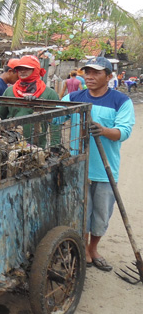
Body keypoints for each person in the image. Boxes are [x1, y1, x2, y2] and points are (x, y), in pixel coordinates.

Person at [61, 56, 135, 272]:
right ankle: (83, 248)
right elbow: (54, 115)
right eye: (87, 72)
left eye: (96, 73)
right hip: (79, 167)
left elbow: (124, 131)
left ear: (109, 77)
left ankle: (94, 249)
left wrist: (104, 131)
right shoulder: (74, 96)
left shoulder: (120, 101)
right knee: (82, 211)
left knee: (101, 214)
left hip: (104, 168)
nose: (89, 77)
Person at [0, 55, 60, 147]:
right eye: (20, 68)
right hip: (12, 143)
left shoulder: (49, 94)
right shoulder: (10, 91)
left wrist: (55, 147)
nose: (22, 71)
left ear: (36, 70)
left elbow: (55, 123)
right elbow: (0, 116)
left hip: (37, 146)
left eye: (27, 68)